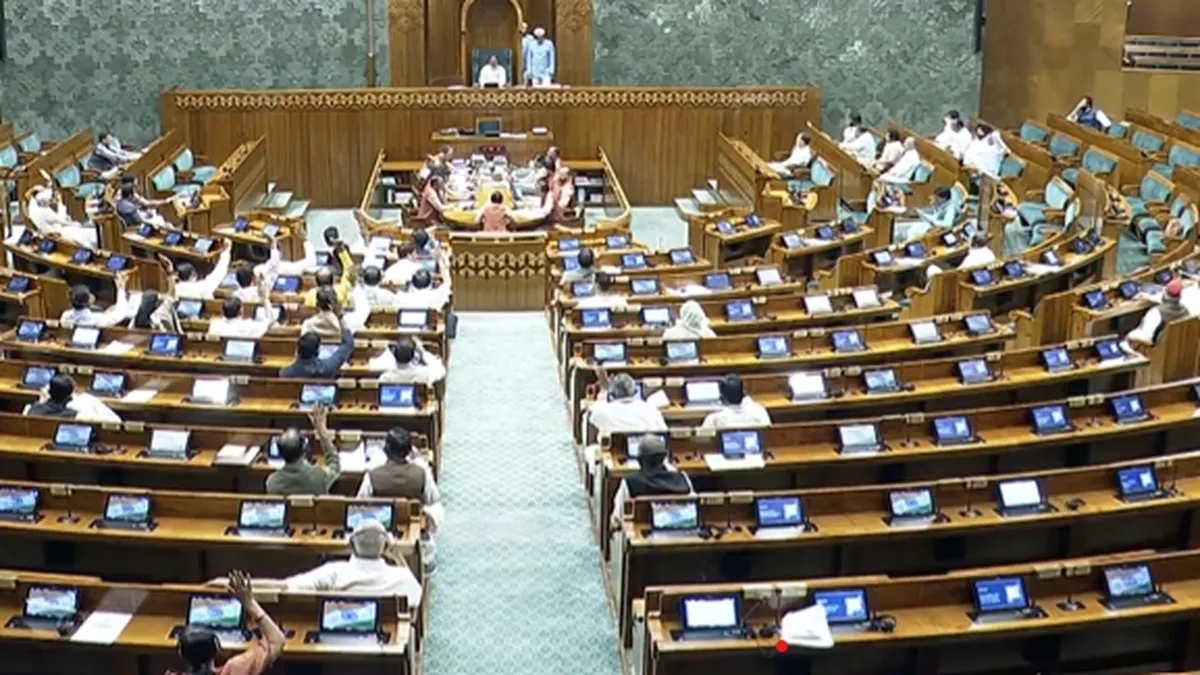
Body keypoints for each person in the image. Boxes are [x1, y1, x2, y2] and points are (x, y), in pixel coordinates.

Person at [208, 520, 421, 609]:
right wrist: (398, 559)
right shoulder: (402, 577)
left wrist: (229, 584)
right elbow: (416, 598)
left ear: (351, 546)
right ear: (386, 547)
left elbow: (285, 586)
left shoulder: (334, 571)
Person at [355, 426, 443, 567]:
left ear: (385, 450)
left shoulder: (372, 475)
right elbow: (433, 499)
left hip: (380, 532)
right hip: (412, 531)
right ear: (409, 451)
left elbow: (360, 504)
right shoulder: (421, 473)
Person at [172, 570, 284, 675]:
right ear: (217, 648)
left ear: (181, 652)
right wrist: (249, 603)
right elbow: (277, 641)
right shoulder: (236, 668)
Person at [609, 434, 693, 528]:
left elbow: (617, 518)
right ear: (664, 457)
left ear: (639, 460)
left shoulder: (630, 482)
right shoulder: (682, 478)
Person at [265, 404, 341, 495]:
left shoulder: (272, 483)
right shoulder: (320, 476)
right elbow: (334, 465)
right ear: (304, 449)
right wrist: (321, 431)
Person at [24, 373, 121, 422]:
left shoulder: (28, 409)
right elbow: (115, 421)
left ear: (49, 392)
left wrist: (41, 402)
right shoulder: (77, 416)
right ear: (70, 398)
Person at [1126, 278, 1195, 346]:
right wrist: (1148, 297)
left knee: (1125, 340)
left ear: (1164, 292)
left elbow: (1147, 339)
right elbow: (1171, 302)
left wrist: (1130, 335)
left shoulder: (1155, 313)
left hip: (1154, 350)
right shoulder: (1186, 311)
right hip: (1174, 348)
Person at [26, 186, 97, 247]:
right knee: (89, 234)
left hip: (58, 231)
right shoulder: (44, 212)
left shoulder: (33, 206)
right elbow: (63, 220)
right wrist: (60, 203)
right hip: (62, 234)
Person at [700, 375, 771, 429]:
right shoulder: (759, 410)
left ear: (722, 397)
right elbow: (768, 432)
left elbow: (702, 439)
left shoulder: (714, 417)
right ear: (743, 392)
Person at [60, 276, 133, 328]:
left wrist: (105, 314)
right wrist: (121, 289)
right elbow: (121, 314)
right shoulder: (97, 319)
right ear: (89, 301)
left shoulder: (65, 316)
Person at [280, 329, 355, 378]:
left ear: (297, 351)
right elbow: (347, 346)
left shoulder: (285, 373)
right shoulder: (327, 368)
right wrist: (345, 329)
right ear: (317, 352)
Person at [370, 336, 447, 384]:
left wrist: (388, 350)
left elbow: (372, 365)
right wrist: (422, 351)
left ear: (394, 356)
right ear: (414, 356)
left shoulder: (385, 378)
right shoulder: (425, 374)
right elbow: (441, 370)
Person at [208, 289, 276, 339]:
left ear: (222, 312)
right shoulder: (249, 326)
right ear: (241, 311)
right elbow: (271, 322)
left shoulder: (215, 325)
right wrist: (266, 299)